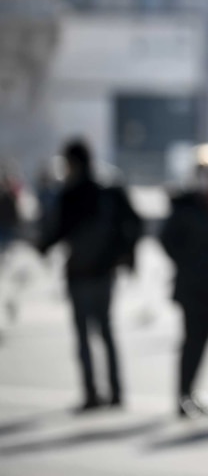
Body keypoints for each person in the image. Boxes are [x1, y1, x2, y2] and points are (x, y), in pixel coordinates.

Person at [36, 138, 142, 413]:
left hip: (81, 273)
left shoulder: (72, 193)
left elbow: (57, 231)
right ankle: (116, 392)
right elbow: (135, 223)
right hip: (104, 272)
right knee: (106, 332)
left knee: (84, 336)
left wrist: (40, 247)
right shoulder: (109, 189)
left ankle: (91, 393)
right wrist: (126, 255)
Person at [158, 143, 208, 418]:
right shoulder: (186, 205)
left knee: (204, 340)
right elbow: (168, 241)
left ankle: (191, 391)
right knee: (191, 340)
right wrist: (190, 260)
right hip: (192, 285)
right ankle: (182, 394)